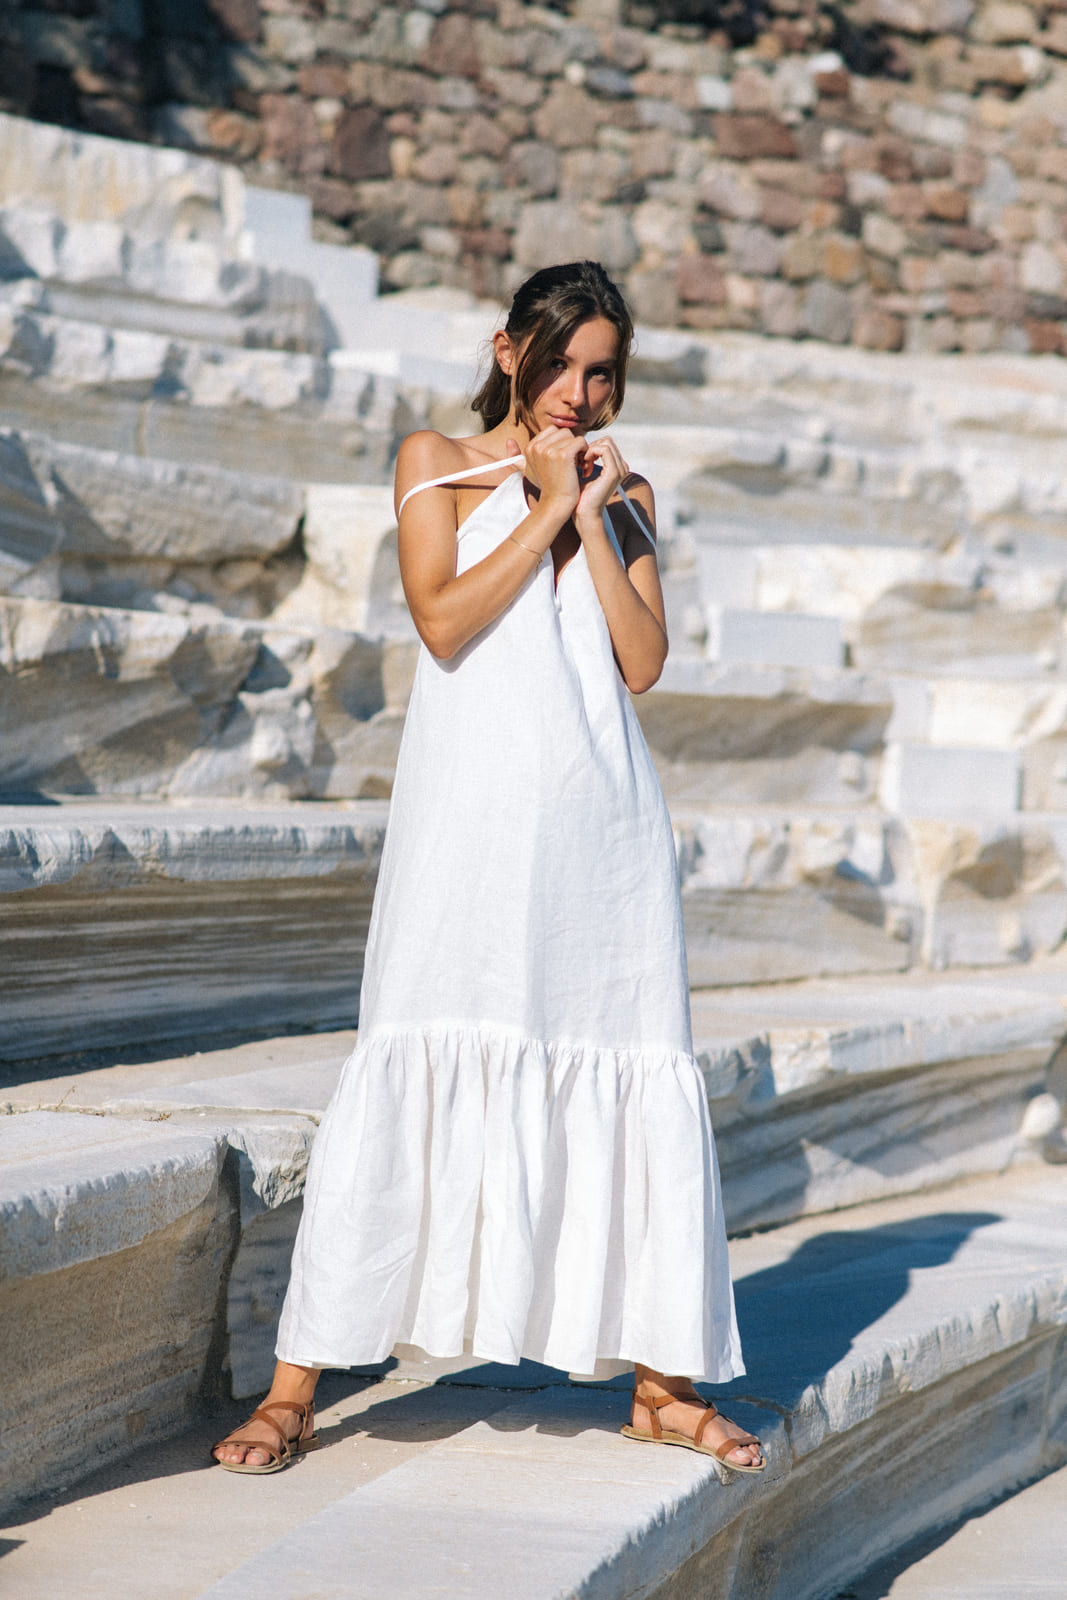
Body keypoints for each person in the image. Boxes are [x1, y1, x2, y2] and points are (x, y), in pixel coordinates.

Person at [212, 260, 764, 1478]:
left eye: (601, 371)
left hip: (600, 839)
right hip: (466, 832)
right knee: (411, 1043)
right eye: (560, 360)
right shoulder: (430, 461)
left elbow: (640, 662)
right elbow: (445, 620)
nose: (579, 390)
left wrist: (604, 515)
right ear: (506, 348)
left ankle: (661, 1387)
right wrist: (545, 509)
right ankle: (300, 1383)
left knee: (623, 1064)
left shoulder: (631, 495)